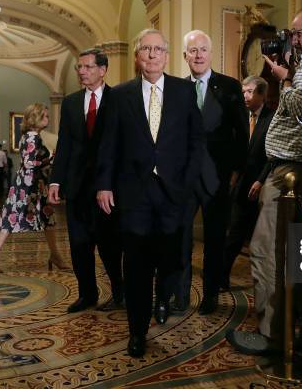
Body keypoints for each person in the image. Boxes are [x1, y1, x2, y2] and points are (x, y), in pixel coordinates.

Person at [227, 6, 302, 354]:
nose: (292, 39)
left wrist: (285, 79)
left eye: (297, 32)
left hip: (291, 170)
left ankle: (273, 334)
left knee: (267, 253)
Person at [96, 29, 203, 358]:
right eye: (146, 49)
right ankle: (137, 332)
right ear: (137, 56)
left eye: (159, 49)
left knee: (170, 261)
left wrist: (188, 184)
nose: (153, 55)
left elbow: (196, 142)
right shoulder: (120, 95)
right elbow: (108, 143)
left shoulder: (185, 91)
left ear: (167, 56)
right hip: (134, 195)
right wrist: (104, 183)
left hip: (173, 194)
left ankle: (163, 298)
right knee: (137, 265)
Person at [165, 29, 246, 317]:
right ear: (184, 56)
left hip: (218, 177)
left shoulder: (230, 86)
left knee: (214, 240)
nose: (198, 55)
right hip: (185, 179)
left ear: (210, 54)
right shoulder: (176, 89)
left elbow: (241, 132)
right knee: (181, 238)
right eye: (192, 50)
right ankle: (181, 295)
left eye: (203, 50)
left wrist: (237, 170)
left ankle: (210, 295)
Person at [49, 48, 124, 313]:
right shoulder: (70, 102)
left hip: (109, 188)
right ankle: (87, 295)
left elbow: (122, 145)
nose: (81, 71)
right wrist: (55, 181)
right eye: (79, 67)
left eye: (87, 67)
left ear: (102, 70)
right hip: (77, 186)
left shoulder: (119, 99)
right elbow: (65, 144)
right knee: (80, 245)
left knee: (110, 246)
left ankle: (119, 293)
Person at [0, 103, 69, 274]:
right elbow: (29, 163)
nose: (47, 118)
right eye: (45, 116)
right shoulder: (33, 137)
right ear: (35, 118)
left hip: (31, 183)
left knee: (46, 219)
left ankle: (55, 255)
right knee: (14, 218)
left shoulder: (27, 136)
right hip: (29, 186)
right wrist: (50, 160)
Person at [221, 75, 274, 290]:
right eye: (243, 91)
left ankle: (264, 284)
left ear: (262, 94)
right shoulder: (241, 116)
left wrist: (260, 181)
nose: (245, 96)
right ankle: (221, 278)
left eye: (250, 92)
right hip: (241, 186)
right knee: (233, 235)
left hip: (262, 186)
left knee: (261, 242)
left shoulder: (272, 118)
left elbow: (273, 154)